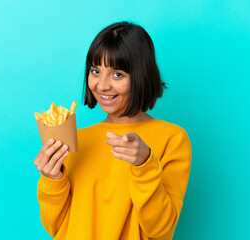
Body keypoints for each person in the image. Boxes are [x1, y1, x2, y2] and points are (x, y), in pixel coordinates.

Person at [34, 21, 192, 240]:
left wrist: (145, 165)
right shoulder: (76, 139)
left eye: (117, 74)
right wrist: (52, 179)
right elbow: (58, 228)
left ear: (140, 76)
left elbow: (160, 230)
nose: (102, 85)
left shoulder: (172, 139)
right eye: (95, 71)